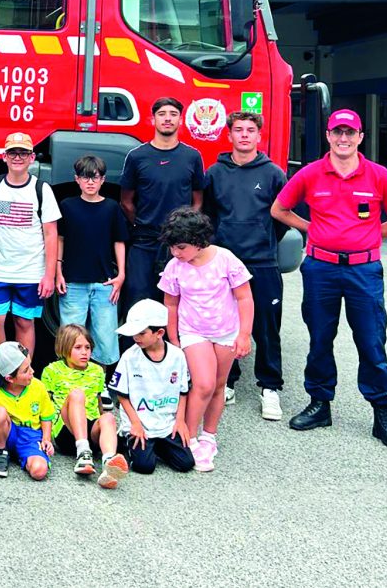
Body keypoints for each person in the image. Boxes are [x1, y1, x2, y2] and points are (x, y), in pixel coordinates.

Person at [271, 108, 387, 450]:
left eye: (350, 133)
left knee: (371, 341)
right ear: (329, 136)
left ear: (361, 137)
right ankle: (320, 405)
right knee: (320, 339)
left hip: (364, 270)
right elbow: (279, 210)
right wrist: (311, 229)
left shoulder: (379, 176)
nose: (344, 139)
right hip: (321, 269)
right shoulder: (310, 174)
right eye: (338, 132)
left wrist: (367, 237)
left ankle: (383, 413)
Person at [204, 110, 288, 419]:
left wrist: (264, 241)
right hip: (225, 263)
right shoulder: (215, 173)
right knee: (226, 326)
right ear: (229, 135)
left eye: (250, 130)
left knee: (267, 327)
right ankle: (228, 382)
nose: (243, 135)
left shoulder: (273, 174)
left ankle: (270, 387)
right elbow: (209, 217)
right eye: (238, 130)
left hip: (262, 262)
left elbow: (282, 217)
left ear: (258, 135)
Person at [158, 208, 252, 472]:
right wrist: (174, 339)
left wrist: (244, 335)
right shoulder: (175, 267)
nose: (176, 253)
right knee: (203, 384)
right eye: (173, 248)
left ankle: (209, 436)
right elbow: (171, 304)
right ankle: (187, 437)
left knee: (219, 385)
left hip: (226, 331)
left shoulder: (226, 260)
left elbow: (245, 297)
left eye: (182, 248)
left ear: (199, 241)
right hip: (192, 332)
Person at [0, 131, 60, 360]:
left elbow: (51, 234)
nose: (18, 157)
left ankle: (22, 375)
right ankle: (2, 376)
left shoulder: (41, 190)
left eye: (23, 153)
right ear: (4, 157)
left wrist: (49, 275)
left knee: (23, 322)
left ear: (32, 158)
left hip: (30, 271)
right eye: (13, 153)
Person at [118, 97, 204, 348]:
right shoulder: (137, 156)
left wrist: (183, 230)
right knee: (137, 303)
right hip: (145, 243)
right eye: (162, 113)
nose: (168, 118)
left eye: (173, 113)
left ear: (180, 119)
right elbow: (126, 201)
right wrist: (144, 225)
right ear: (153, 119)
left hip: (180, 248)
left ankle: (174, 364)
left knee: (177, 305)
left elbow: (198, 200)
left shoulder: (192, 156)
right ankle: (130, 365)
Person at [55, 154, 128, 398]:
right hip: (73, 280)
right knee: (71, 334)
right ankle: (70, 382)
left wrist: (121, 275)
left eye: (95, 178)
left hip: (104, 282)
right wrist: (57, 271)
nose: (90, 183)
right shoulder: (67, 205)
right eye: (85, 178)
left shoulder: (111, 207)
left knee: (105, 336)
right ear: (77, 179)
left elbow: (119, 241)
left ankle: (100, 385)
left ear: (103, 180)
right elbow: (60, 240)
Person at [109, 299, 195, 475]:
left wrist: (180, 420)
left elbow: (183, 391)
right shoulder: (129, 357)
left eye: (141, 333)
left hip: (166, 423)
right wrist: (135, 424)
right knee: (144, 467)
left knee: (186, 463)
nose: (135, 338)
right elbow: (122, 395)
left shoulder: (177, 356)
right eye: (134, 333)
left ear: (159, 332)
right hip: (140, 423)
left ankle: (156, 446)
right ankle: (125, 441)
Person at [40, 324, 129, 489]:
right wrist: (45, 437)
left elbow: (98, 402)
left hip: (90, 428)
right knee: (76, 394)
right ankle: (82, 452)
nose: (84, 352)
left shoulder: (96, 371)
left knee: (108, 417)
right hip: (65, 429)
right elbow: (46, 406)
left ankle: (109, 464)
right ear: (65, 349)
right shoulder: (51, 370)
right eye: (78, 347)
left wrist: (105, 425)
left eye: (87, 347)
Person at [0, 341, 54, 480]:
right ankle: (1, 452)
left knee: (39, 472)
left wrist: (46, 439)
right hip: (7, 433)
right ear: (9, 378)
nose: (32, 372)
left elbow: (46, 416)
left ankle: (26, 457)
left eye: (30, 365)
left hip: (30, 437)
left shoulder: (38, 387)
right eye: (26, 370)